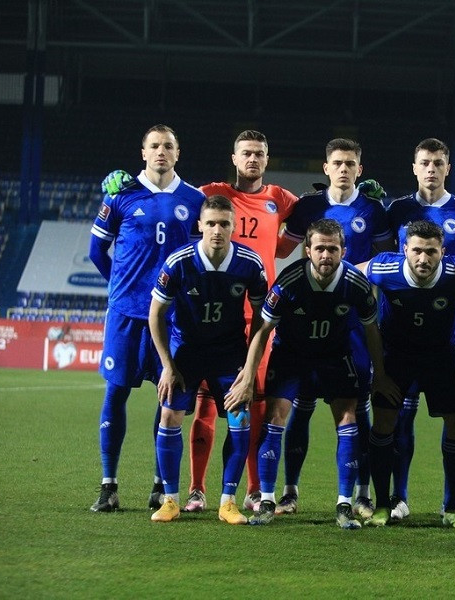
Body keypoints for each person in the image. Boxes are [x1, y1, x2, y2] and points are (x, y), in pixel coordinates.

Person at [100, 130, 299, 515]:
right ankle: (189, 491)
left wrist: (357, 194)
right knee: (190, 407)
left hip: (252, 327)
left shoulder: (278, 199)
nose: (252, 159)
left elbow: (312, 211)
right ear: (234, 157)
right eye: (246, 153)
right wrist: (119, 181)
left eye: (259, 153)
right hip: (192, 326)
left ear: (267, 159)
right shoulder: (206, 194)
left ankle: (250, 491)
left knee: (250, 406)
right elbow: (166, 187)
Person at [224, 218, 400, 529]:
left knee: (348, 419)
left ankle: (344, 505)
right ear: (308, 250)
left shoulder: (356, 284)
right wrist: (248, 376)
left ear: (343, 251)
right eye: (319, 248)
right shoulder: (289, 281)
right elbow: (262, 331)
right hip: (292, 356)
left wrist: (381, 374)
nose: (326, 255)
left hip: (335, 357)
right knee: (275, 417)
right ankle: (267, 500)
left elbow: (372, 331)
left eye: (332, 249)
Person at [273, 138, 394, 519]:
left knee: (357, 407)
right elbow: (280, 249)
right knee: (302, 406)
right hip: (308, 320)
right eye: (337, 163)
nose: (343, 169)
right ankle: (290, 492)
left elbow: (386, 257)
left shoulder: (373, 209)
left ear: (360, 168)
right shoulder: (308, 207)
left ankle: (361, 493)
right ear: (326, 168)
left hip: (355, 322)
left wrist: (356, 273)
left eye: (350, 163)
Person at [89, 124, 204, 512]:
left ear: (177, 153)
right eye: (154, 145)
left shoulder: (195, 199)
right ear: (143, 152)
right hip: (126, 315)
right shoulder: (120, 194)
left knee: (168, 396)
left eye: (168, 146)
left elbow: (199, 257)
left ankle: (161, 484)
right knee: (115, 392)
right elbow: (96, 250)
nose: (161, 151)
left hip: (172, 319)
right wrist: (120, 288)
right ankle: (108, 485)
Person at [383, 138, 455, 521]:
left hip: (451, 329)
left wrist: (450, 296)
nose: (431, 168)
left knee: (454, 413)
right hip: (401, 325)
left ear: (448, 167)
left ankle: (452, 503)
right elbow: (383, 261)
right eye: (425, 162)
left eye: (438, 163)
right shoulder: (397, 210)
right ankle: (398, 498)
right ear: (415, 167)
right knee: (401, 413)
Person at [147, 195, 267, 524]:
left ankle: (228, 502)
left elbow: (263, 319)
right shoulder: (179, 262)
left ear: (234, 227)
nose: (217, 230)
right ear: (200, 225)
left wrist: (249, 368)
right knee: (169, 416)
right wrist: (167, 366)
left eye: (224, 224)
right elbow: (156, 314)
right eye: (211, 223)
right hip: (186, 351)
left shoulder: (250, 263)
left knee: (240, 418)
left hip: (229, 353)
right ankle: (170, 500)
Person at [359, 220, 455, 528]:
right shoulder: (384, 268)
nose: (423, 258)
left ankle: (452, 508)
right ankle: (382, 505)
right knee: (384, 422)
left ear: (443, 252)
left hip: (440, 356)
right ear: (404, 250)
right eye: (416, 251)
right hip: (395, 358)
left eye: (431, 252)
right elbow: (350, 274)